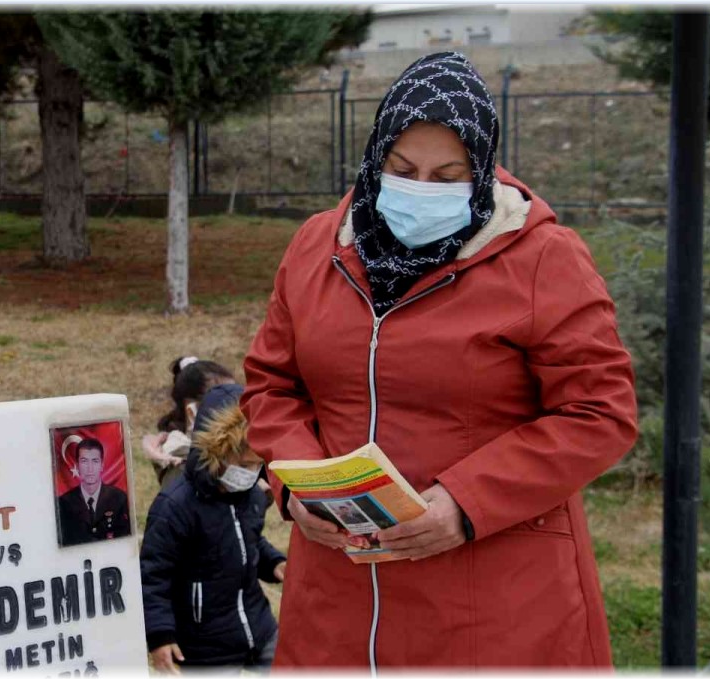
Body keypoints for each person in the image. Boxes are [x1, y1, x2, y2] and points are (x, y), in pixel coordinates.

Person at [240, 52, 638, 668]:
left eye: (447, 175)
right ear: (376, 157)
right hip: (337, 601)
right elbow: (272, 385)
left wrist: (467, 502)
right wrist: (295, 484)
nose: (421, 189)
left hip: (493, 605)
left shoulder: (542, 258)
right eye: (403, 169)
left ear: (481, 172)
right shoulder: (318, 247)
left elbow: (599, 412)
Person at [140, 383, 287, 674]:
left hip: (259, 627)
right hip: (204, 646)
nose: (249, 474)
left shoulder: (251, 496)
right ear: (215, 453)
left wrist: (275, 563)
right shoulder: (174, 506)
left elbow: (250, 541)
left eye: (257, 465)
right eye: (243, 464)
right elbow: (152, 576)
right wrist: (160, 636)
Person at [141, 357, 237, 487]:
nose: (236, 414)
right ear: (192, 412)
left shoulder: (227, 449)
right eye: (225, 406)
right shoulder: (177, 460)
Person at [56, 438, 131, 545]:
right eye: (84, 461)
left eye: (95, 461)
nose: (90, 469)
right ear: (77, 466)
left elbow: (125, 541)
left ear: (102, 465)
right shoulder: (64, 503)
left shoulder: (119, 498)